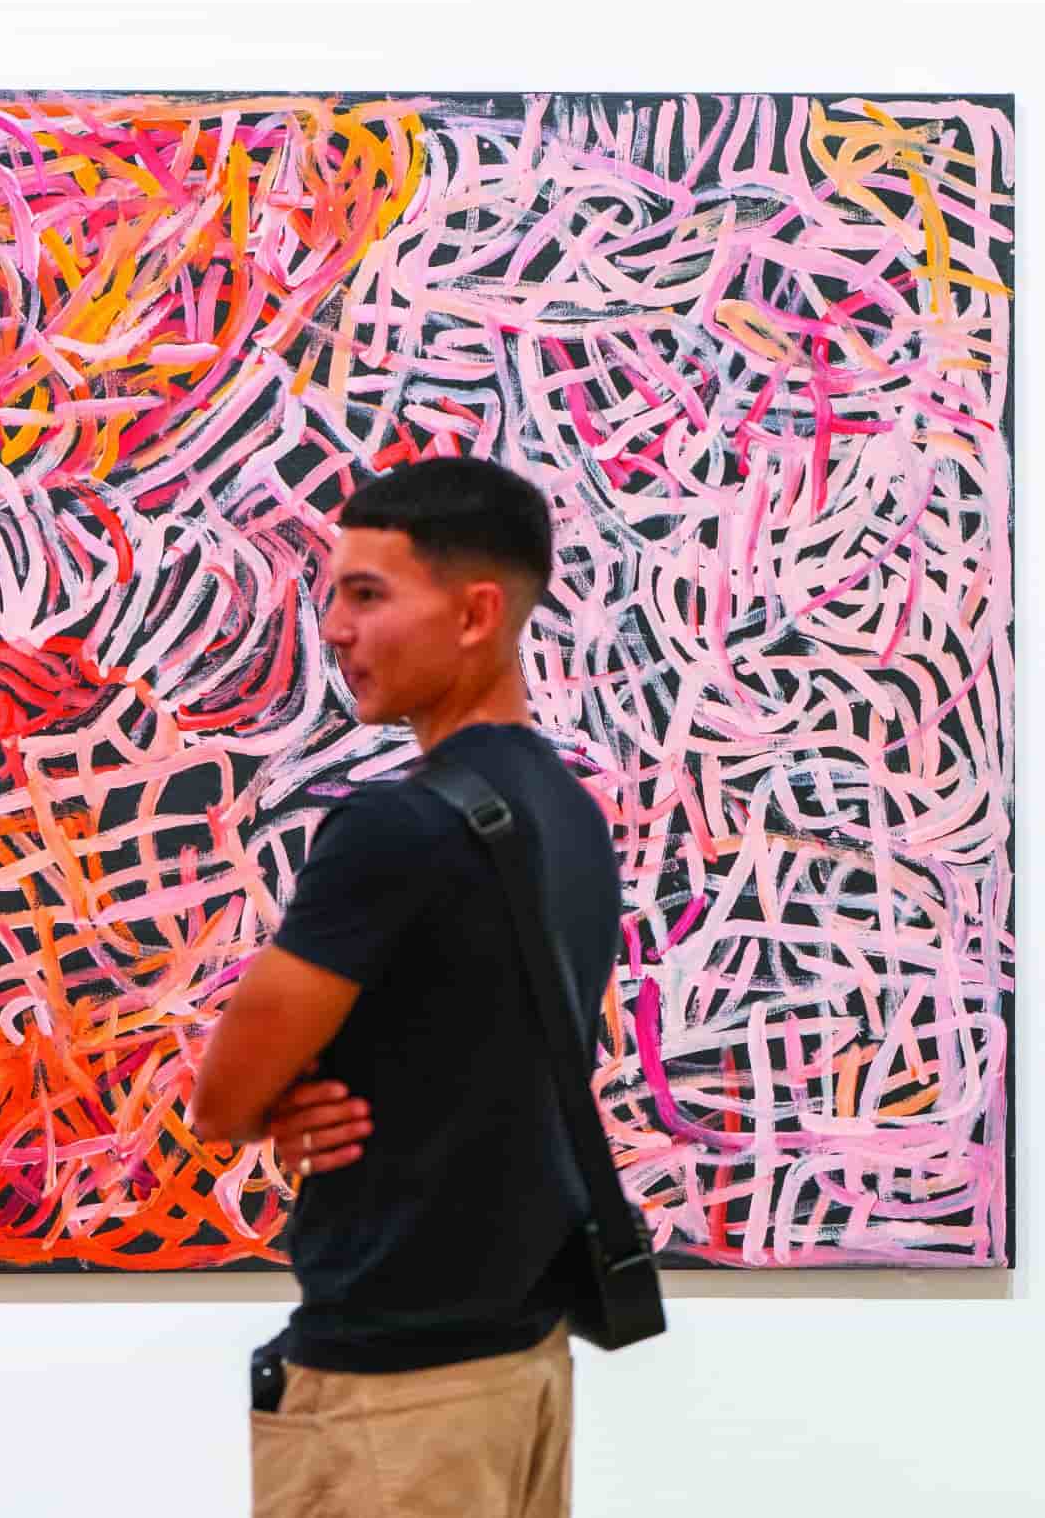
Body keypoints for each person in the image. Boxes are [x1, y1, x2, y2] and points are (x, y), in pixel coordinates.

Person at [191, 455, 627, 1518]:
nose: (334, 629)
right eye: (334, 593)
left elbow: (218, 1102)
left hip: (393, 1396)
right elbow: (476, 1058)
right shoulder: (568, 814)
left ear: (477, 613)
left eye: (367, 594)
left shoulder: (395, 827)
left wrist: (273, 1103)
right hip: (522, 1361)